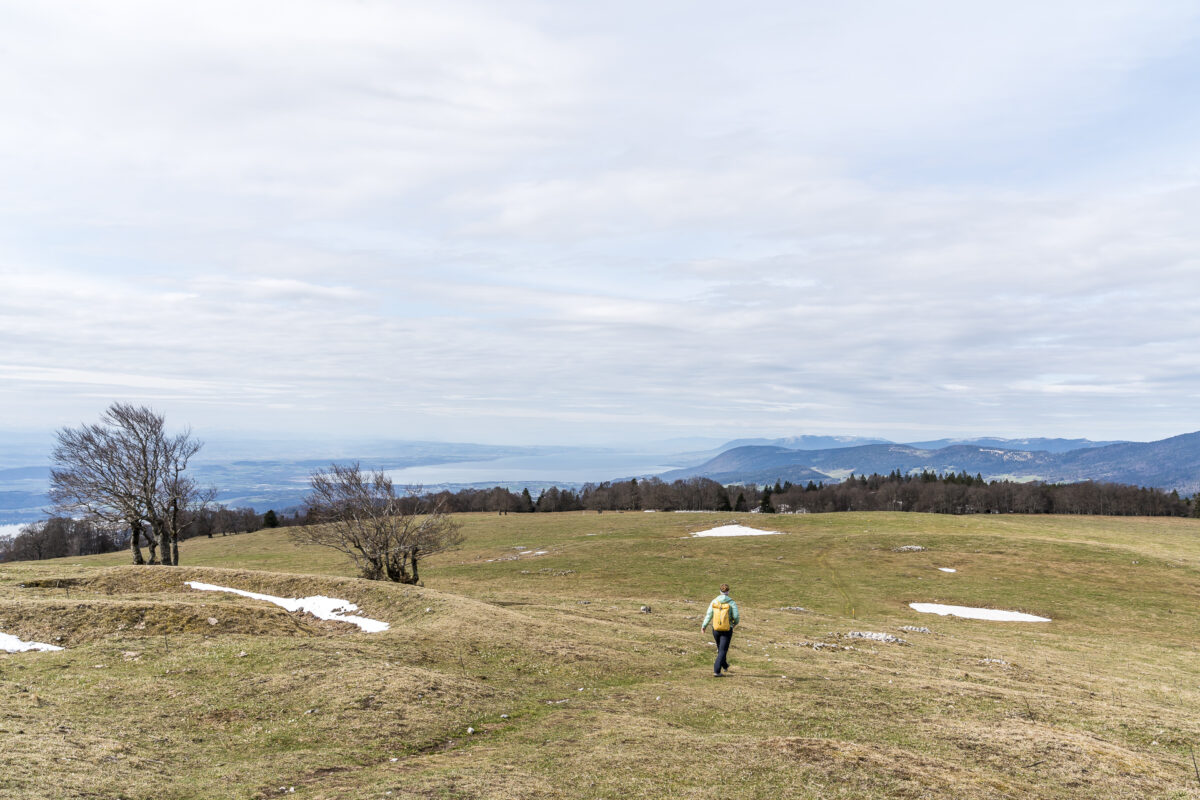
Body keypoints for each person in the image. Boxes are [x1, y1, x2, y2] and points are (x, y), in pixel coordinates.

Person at [701, 583, 739, 676]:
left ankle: (725, 665)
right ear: (728, 592)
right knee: (723, 650)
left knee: (720, 648)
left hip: (716, 629)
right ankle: (717, 670)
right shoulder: (731, 602)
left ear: (720, 591)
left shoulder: (714, 601)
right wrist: (734, 623)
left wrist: (704, 626)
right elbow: (736, 616)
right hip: (727, 628)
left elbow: (709, 615)